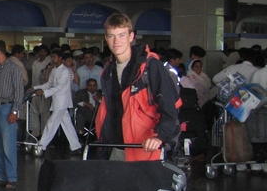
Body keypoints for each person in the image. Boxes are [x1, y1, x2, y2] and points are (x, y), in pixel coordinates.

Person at [95, 13, 180, 161]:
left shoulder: (150, 66)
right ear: (106, 39)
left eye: (121, 35)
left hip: (144, 148)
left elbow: (170, 107)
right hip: (114, 148)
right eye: (111, 36)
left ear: (131, 36)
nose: (116, 41)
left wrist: (159, 136)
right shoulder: (108, 71)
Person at [0, 41, 24, 189]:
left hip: (7, 108)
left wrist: (14, 111)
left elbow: (19, 91)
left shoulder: (13, 68)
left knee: (8, 145)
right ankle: (1, 176)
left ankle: (11, 177)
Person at [34, 50, 82, 154]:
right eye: (52, 57)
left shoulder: (65, 71)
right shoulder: (55, 70)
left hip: (62, 101)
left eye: (55, 57)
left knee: (51, 124)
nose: (53, 59)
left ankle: (41, 146)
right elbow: (49, 84)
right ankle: (76, 146)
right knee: (67, 124)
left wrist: (44, 92)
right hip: (57, 102)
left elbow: (59, 87)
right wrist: (35, 88)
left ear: (60, 58)